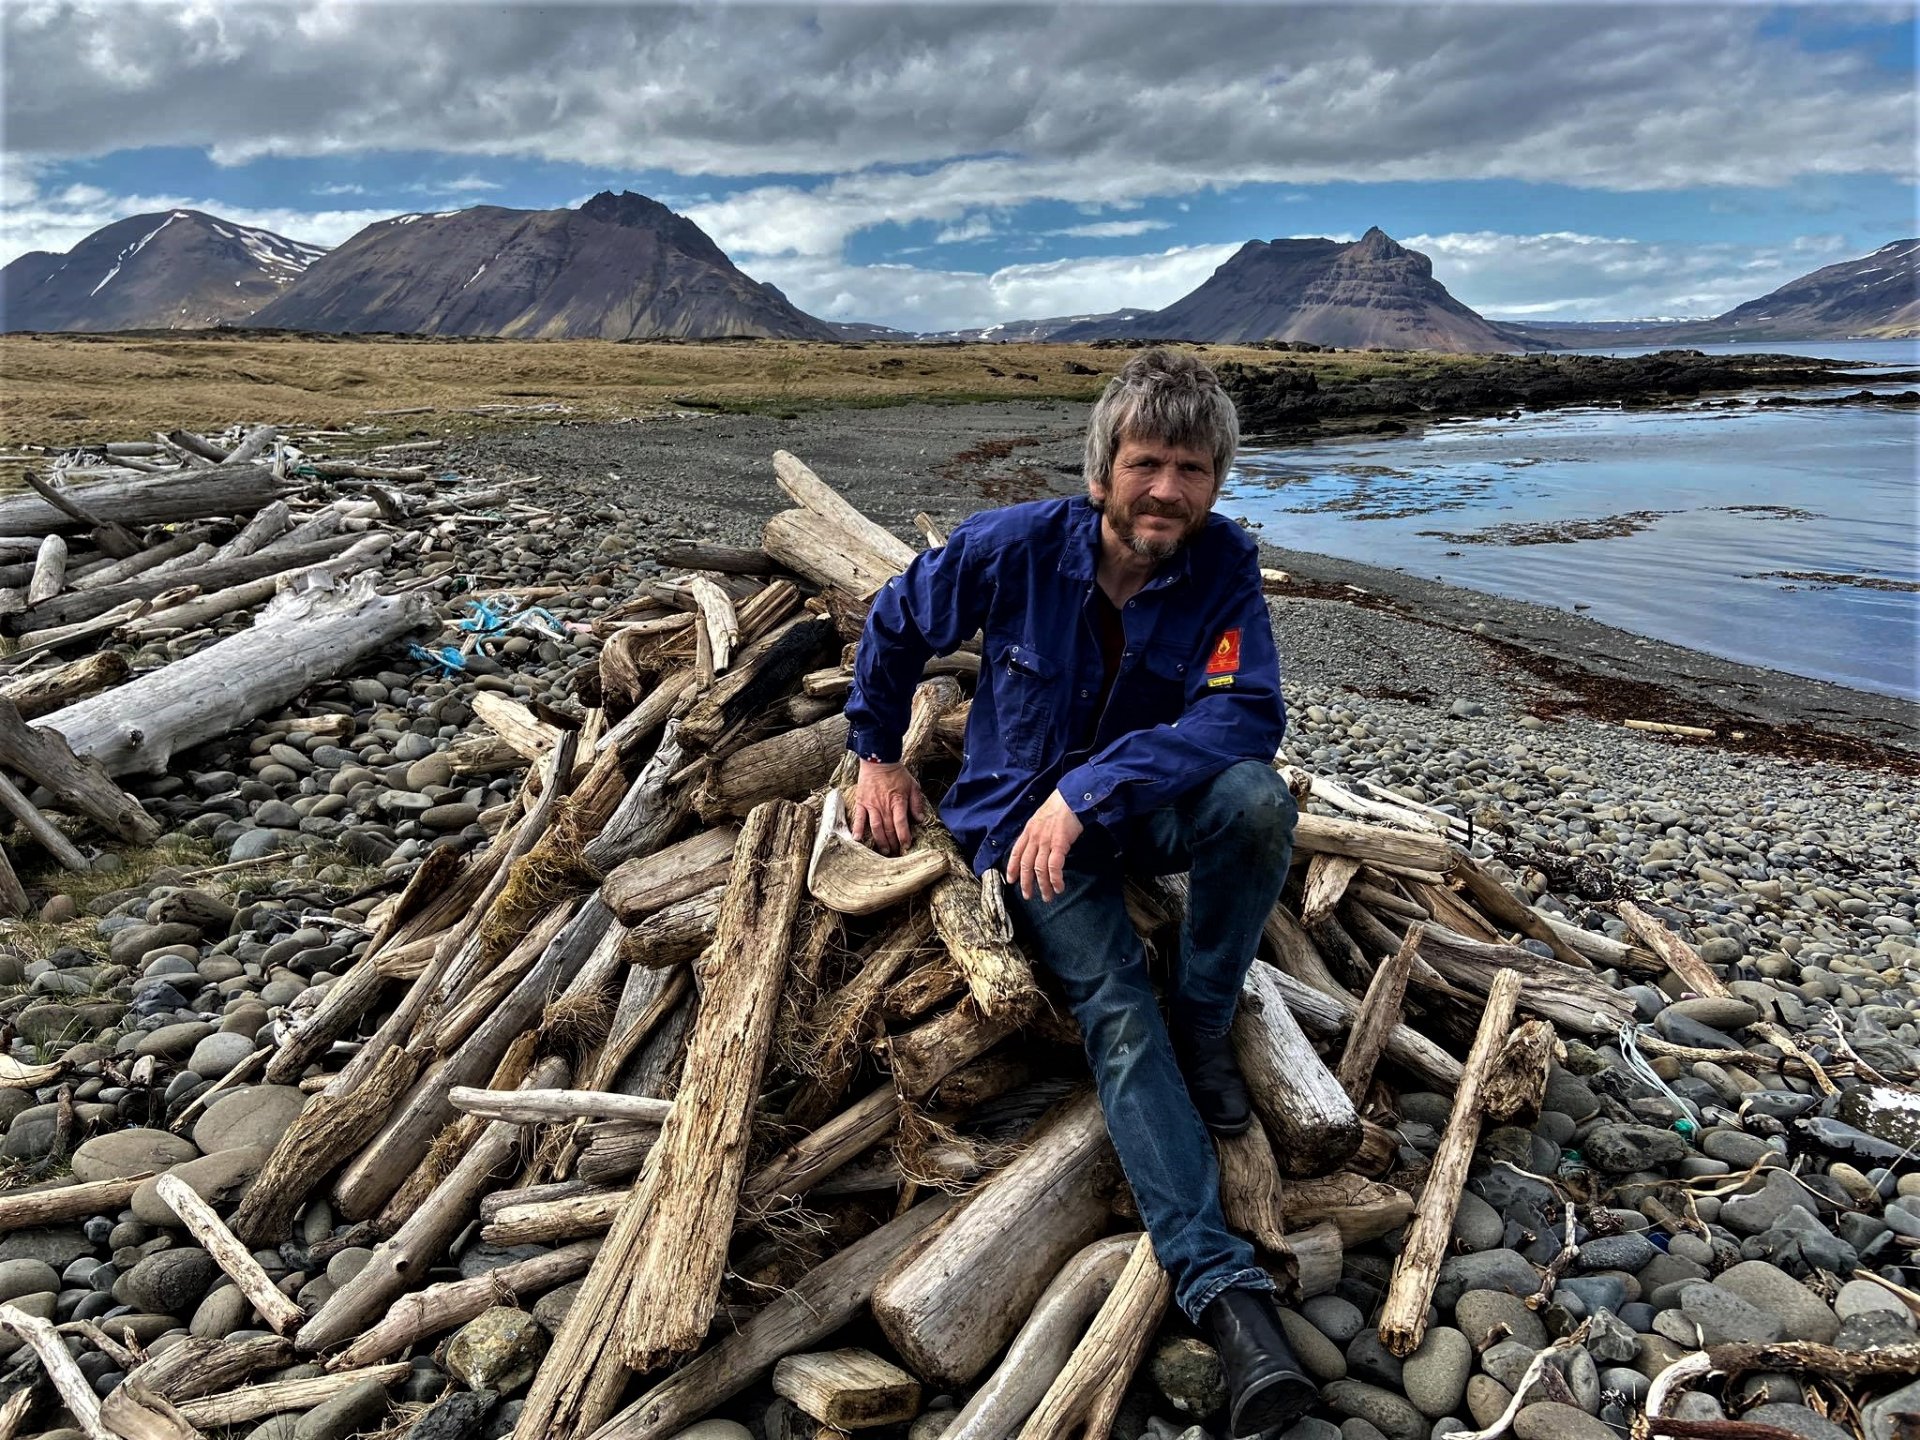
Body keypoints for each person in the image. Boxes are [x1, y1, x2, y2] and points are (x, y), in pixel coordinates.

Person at [843, 348, 1315, 1437]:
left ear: (1215, 482)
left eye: (1191, 469)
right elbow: (898, 621)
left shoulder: (1222, 569)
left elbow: (1244, 716)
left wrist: (1095, 791)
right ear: (1102, 469)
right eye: (1147, 463)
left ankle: (1210, 1019)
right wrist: (877, 751)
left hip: (1119, 818)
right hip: (1025, 840)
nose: (1167, 490)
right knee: (1115, 1013)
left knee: (1254, 802)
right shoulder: (1012, 549)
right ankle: (1225, 1299)